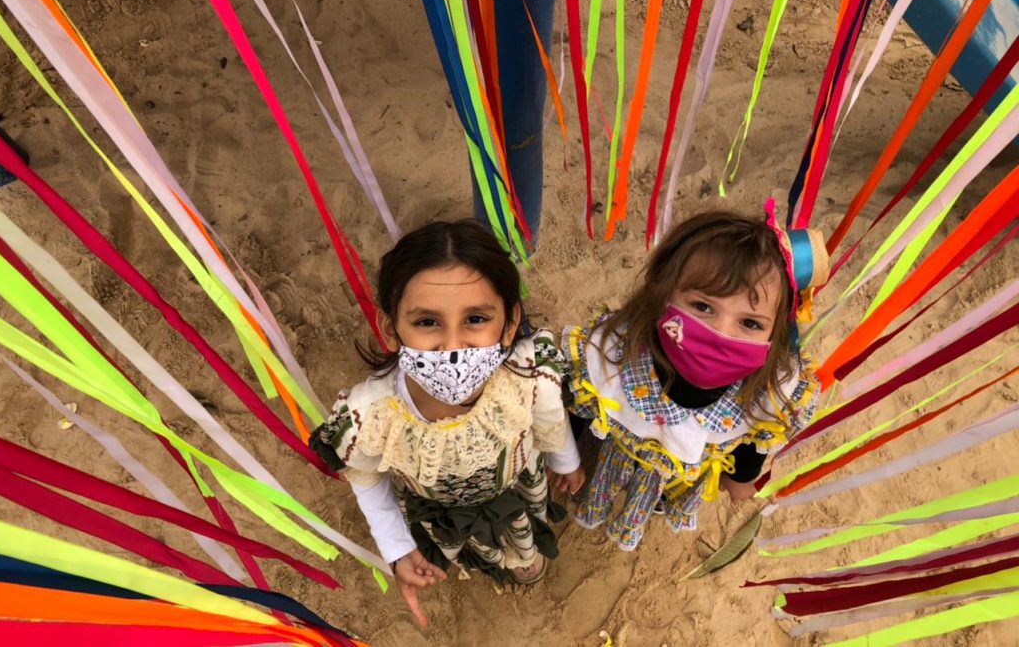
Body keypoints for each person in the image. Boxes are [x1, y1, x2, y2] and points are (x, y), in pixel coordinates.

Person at [309, 219, 584, 627]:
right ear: (391, 330)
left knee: (523, 529)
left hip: (515, 486)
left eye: (475, 319)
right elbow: (367, 481)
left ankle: (524, 560)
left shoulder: (528, 377)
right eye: (427, 322)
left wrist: (566, 461)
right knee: (472, 544)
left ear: (509, 325)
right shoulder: (372, 415)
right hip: (443, 511)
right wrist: (398, 548)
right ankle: (494, 561)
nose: (452, 347)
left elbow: (550, 421)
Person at [562, 206, 828, 551]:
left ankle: (658, 499)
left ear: (775, 333)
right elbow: (581, 403)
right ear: (663, 293)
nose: (719, 332)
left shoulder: (769, 390)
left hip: (682, 472)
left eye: (750, 323)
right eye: (703, 307)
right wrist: (566, 457)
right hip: (615, 453)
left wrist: (741, 479)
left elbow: (752, 437)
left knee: (664, 489)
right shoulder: (614, 352)